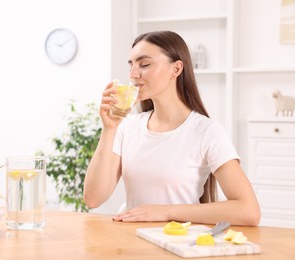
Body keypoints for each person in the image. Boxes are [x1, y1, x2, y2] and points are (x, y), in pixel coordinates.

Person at [83, 31, 260, 226]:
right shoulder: (127, 126)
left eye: (145, 64)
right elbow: (93, 199)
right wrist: (109, 129)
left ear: (176, 69)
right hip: (132, 242)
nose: (134, 74)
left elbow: (248, 211)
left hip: (180, 243)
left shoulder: (206, 131)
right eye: (131, 65)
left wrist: (165, 212)